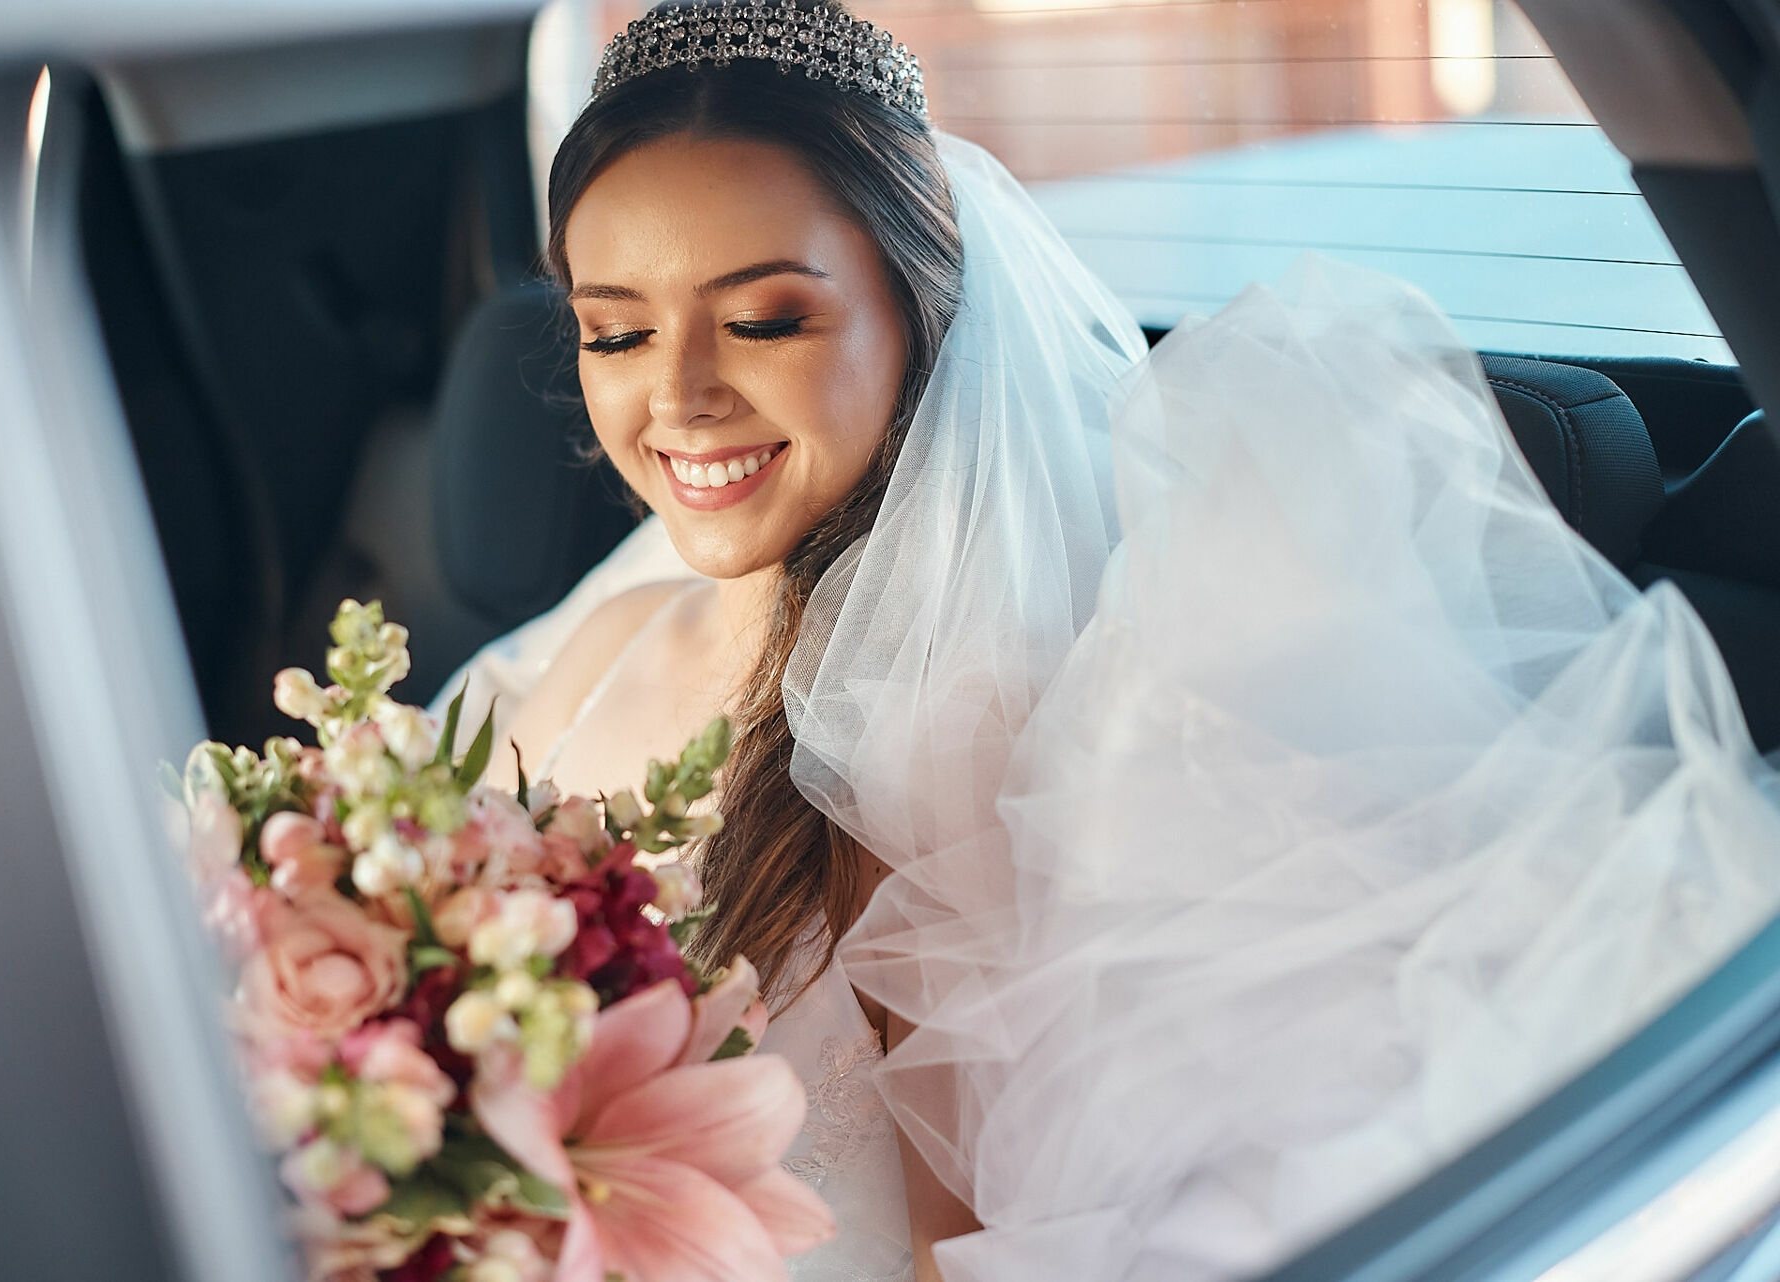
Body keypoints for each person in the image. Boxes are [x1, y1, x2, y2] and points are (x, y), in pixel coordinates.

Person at [448, 2, 1780, 1278]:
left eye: (763, 320)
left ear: (921, 303)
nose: (678, 393)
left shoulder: (966, 738)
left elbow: (969, 1253)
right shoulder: (602, 642)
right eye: (616, 331)